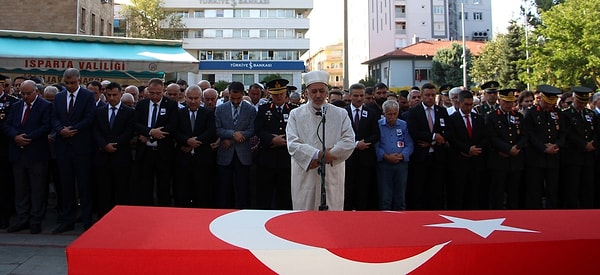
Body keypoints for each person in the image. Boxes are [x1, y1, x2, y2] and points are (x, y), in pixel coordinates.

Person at [286, 70, 355, 211]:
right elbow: (292, 143)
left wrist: (331, 155)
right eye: (314, 91)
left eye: (322, 91)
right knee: (305, 218)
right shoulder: (295, 114)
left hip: (332, 171)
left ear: (327, 93)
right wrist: (318, 155)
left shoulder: (340, 114)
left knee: (332, 216)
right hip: (306, 173)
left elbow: (348, 141)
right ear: (306, 93)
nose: (318, 95)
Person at [51, 68, 96, 233]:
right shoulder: (58, 97)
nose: (70, 86)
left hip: (81, 147)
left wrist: (73, 129)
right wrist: (60, 129)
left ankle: (86, 220)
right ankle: (67, 219)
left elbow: (89, 117)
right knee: (66, 185)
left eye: (73, 83)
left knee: (84, 185)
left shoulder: (87, 96)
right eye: (67, 83)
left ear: (79, 81)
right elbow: (53, 117)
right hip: (63, 147)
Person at [4, 80, 52, 234]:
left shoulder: (45, 106)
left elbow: (46, 126)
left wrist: (28, 137)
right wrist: (15, 136)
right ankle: (22, 218)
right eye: (22, 93)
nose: (24, 96)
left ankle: (36, 219)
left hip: (36, 153)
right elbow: (7, 124)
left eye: (28, 93)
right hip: (18, 153)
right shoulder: (16, 106)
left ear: (36, 92)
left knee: (37, 188)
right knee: (21, 188)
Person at [133, 78, 179, 206]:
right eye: (152, 93)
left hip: (163, 152)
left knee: (163, 186)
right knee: (145, 186)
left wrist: (152, 135)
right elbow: (135, 124)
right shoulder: (141, 104)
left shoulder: (170, 105)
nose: (155, 96)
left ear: (163, 91)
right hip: (145, 152)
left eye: (158, 93)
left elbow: (172, 125)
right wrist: (150, 132)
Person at [92, 82, 136, 218]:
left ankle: (121, 218)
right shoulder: (99, 111)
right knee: (103, 191)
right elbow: (95, 130)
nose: (111, 98)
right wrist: (104, 145)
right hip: (103, 157)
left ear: (120, 94)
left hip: (121, 157)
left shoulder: (129, 112)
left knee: (122, 190)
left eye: (114, 95)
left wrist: (115, 144)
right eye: (109, 95)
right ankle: (103, 218)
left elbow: (129, 131)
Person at [405, 83, 450, 210]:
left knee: (437, 190)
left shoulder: (441, 111)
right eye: (427, 95)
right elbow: (414, 132)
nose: (430, 98)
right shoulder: (414, 112)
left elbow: (448, 131)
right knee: (419, 189)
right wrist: (434, 136)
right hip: (420, 158)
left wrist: (434, 142)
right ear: (422, 95)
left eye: (432, 95)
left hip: (438, 157)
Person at [254, 79, 295, 210]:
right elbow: (258, 129)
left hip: (286, 157)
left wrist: (285, 140)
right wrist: (271, 139)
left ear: (286, 94)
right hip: (267, 157)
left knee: (285, 193)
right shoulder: (263, 109)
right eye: (275, 94)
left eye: (281, 94)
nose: (278, 97)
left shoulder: (294, 111)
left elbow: (298, 130)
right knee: (265, 194)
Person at [173, 85, 216, 208]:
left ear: (201, 98)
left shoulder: (208, 114)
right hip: (182, 159)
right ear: (185, 98)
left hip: (202, 159)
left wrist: (193, 143)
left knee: (202, 193)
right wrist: (186, 141)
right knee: (182, 192)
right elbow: (175, 131)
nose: (193, 101)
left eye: (196, 98)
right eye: (190, 98)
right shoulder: (179, 113)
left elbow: (210, 131)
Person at [215, 82, 256, 209]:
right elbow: (217, 129)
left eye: (238, 98)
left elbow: (251, 130)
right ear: (228, 94)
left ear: (243, 95)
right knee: (225, 188)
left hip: (243, 155)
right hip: (225, 154)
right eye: (232, 98)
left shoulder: (250, 110)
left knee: (243, 188)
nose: (236, 101)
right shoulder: (220, 109)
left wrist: (232, 140)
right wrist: (232, 134)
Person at [523, 85, 564, 209]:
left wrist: (557, 145)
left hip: (553, 157)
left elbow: (563, 133)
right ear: (540, 99)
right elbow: (529, 134)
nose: (548, 106)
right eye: (546, 102)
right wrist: (543, 147)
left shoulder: (557, 113)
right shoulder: (532, 113)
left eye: (551, 103)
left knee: (552, 189)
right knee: (535, 189)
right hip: (536, 157)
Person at [485, 88, 527, 210]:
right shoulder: (491, 117)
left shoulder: (518, 116)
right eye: (506, 102)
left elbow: (524, 135)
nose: (509, 105)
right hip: (499, 159)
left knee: (513, 193)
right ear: (500, 101)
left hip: (515, 160)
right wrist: (508, 149)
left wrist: (517, 147)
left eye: (511, 102)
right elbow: (492, 137)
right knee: (497, 193)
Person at [446, 90, 487, 210]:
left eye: (471, 105)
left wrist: (476, 149)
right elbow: (452, 138)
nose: (469, 108)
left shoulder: (478, 119)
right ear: (459, 103)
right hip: (459, 162)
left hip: (476, 162)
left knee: (474, 194)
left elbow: (485, 137)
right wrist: (467, 149)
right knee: (458, 194)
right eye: (466, 104)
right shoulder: (452, 119)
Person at [343, 83, 380, 210]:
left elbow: (376, 134)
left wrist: (365, 143)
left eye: (361, 96)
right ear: (350, 96)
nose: (359, 99)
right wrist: (355, 144)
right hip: (348, 159)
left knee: (363, 192)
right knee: (348, 191)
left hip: (366, 159)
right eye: (356, 96)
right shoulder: (343, 113)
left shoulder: (372, 113)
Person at [559, 86, 597, 208]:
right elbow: (568, 133)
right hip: (573, 157)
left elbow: (596, 131)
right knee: (572, 188)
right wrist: (583, 144)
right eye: (580, 101)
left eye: (584, 102)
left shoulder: (590, 114)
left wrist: (593, 143)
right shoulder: (566, 114)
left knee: (588, 188)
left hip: (589, 157)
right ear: (574, 99)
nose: (582, 104)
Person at [376, 100, 413, 211]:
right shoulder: (378, 125)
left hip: (401, 164)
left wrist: (402, 156)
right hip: (384, 164)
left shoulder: (403, 125)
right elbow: (375, 145)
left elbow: (409, 144)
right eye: (389, 114)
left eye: (395, 113)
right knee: (385, 196)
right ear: (384, 113)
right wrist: (385, 156)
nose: (392, 117)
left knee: (400, 196)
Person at [0, 77, 19, 229]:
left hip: (4, 149)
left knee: (4, 184)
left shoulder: (11, 102)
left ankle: (4, 216)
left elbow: (10, 124)